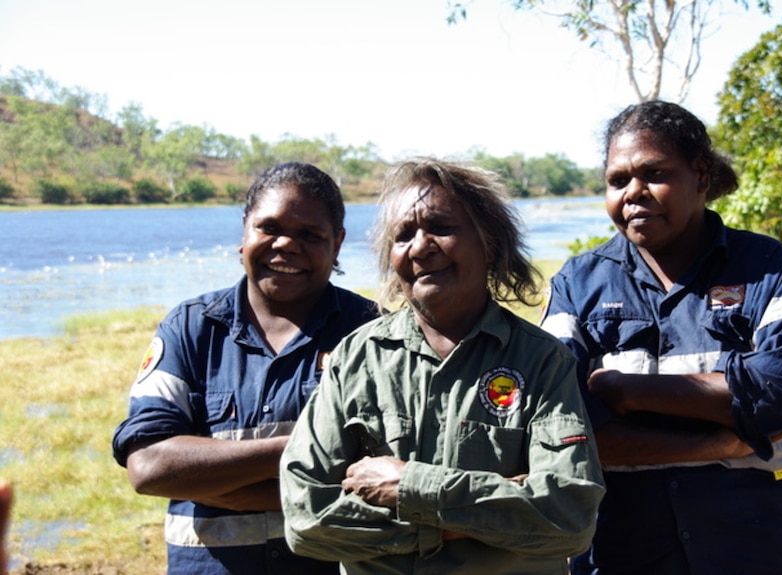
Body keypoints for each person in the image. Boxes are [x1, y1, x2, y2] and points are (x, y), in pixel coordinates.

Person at [541, 100, 782, 575]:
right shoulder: (578, 284)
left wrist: (623, 391)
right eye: (617, 181)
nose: (634, 193)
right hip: (625, 550)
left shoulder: (764, 268)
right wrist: (719, 442)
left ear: (700, 176)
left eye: (654, 173)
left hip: (763, 545)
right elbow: (561, 429)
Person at [279, 158, 605, 574]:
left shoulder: (542, 362)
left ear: (489, 242)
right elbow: (306, 518)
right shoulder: (354, 359)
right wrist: (483, 508)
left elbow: (569, 518)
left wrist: (408, 487)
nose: (420, 246)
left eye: (440, 227)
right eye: (403, 235)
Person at [112, 162, 378, 575]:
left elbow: (389, 471)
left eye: (310, 234)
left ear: (338, 243)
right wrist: (315, 453)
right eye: (269, 228)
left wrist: (228, 487)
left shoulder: (372, 332)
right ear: (245, 231)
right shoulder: (190, 328)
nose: (286, 245)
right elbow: (148, 465)